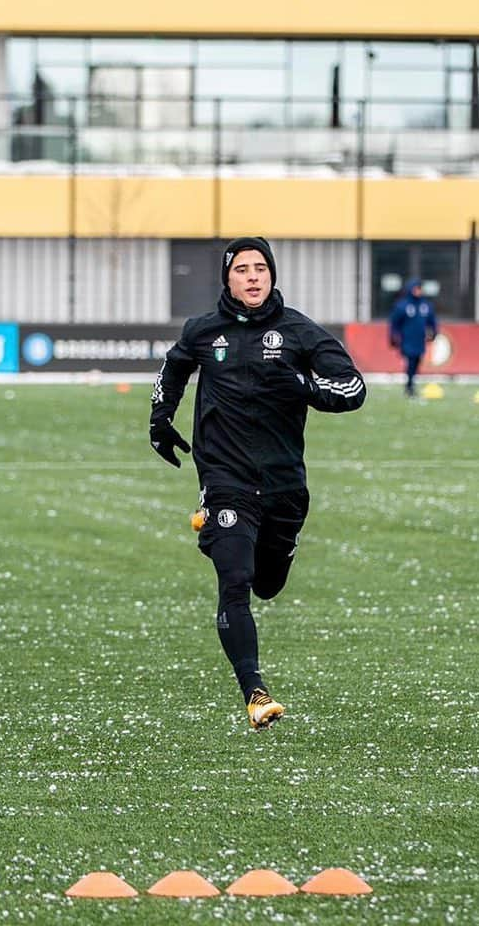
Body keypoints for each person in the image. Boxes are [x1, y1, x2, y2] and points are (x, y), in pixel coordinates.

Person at [149, 236, 366, 731]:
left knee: (267, 583)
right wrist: (160, 420)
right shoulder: (204, 331)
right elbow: (174, 368)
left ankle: (248, 541)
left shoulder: (300, 333)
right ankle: (255, 692)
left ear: (272, 275)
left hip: (285, 486)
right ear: (227, 278)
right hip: (226, 481)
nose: (252, 276)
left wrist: (306, 387)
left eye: (260, 268)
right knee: (236, 581)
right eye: (242, 269)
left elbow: (353, 388)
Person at [388, 278, 437, 397]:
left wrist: (434, 333)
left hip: (420, 340)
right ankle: (409, 387)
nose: (418, 291)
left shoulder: (425, 305)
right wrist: (393, 337)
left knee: (417, 362)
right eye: (416, 289)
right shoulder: (402, 305)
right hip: (407, 340)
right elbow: (394, 323)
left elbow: (432, 321)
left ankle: (411, 384)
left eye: (420, 289)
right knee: (410, 362)